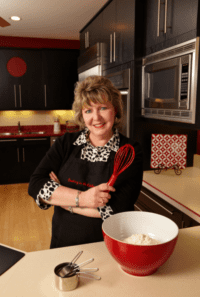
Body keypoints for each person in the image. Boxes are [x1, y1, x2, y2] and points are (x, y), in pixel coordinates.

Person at [28, 75, 143, 249]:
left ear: (116, 110)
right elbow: (36, 185)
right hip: (64, 243)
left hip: (109, 246)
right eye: (88, 110)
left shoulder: (130, 151)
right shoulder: (66, 143)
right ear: (82, 115)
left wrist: (64, 201)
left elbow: (118, 209)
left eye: (103, 108)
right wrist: (83, 198)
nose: (96, 118)